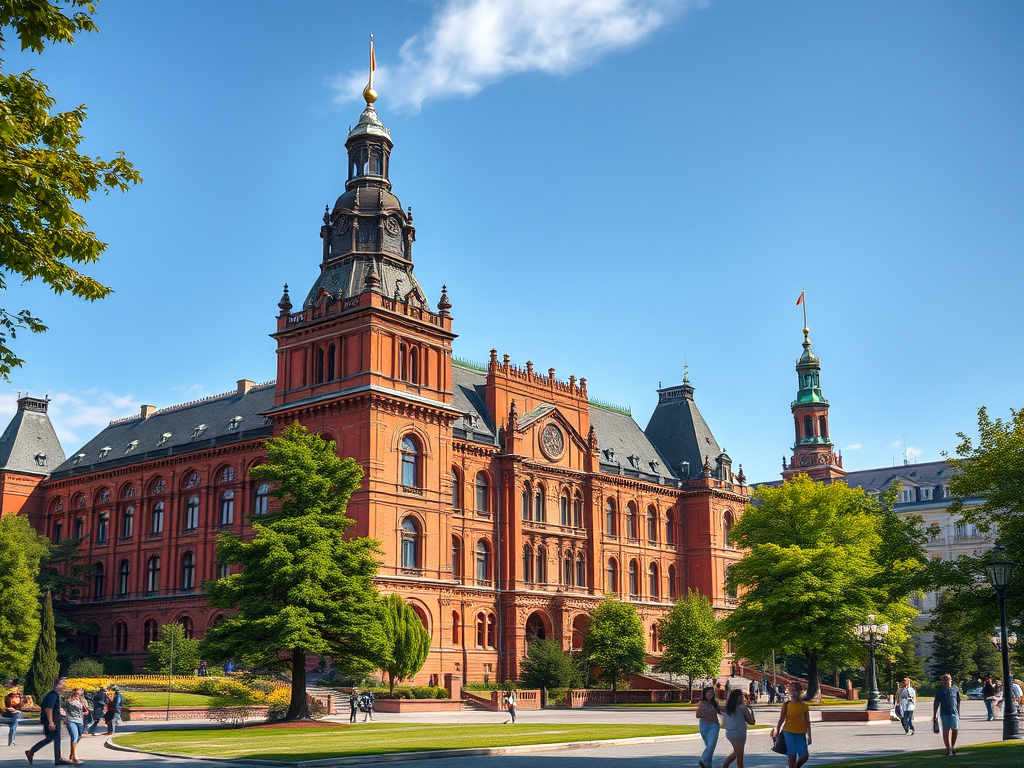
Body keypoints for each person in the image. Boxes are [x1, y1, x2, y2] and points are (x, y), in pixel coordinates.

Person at [26, 676, 68, 765]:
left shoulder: (53, 695)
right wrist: (51, 722)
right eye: (62, 684)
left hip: (52, 720)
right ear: (56, 685)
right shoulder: (53, 695)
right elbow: (49, 709)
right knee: (55, 738)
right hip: (52, 721)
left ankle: (32, 752)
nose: (64, 686)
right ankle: (57, 759)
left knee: (51, 738)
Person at [774, 681, 811, 768]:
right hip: (788, 732)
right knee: (792, 755)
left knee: (805, 755)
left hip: (801, 732)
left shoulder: (804, 706)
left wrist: (809, 736)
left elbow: (807, 722)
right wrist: (778, 731)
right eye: (792, 689)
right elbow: (781, 719)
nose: (794, 691)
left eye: (796, 689)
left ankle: (797, 766)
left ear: (799, 692)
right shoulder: (786, 705)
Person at [721, 689, 756, 768]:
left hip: (735, 733)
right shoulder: (742, 709)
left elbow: (751, 722)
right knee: (740, 754)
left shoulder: (727, 709)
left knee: (736, 752)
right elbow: (751, 722)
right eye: (740, 697)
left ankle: (725, 765)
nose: (742, 698)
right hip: (737, 733)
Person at [932, 673, 961, 757]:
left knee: (955, 729)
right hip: (944, 713)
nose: (947, 681)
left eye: (948, 679)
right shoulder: (940, 690)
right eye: (945, 679)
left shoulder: (955, 689)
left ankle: (952, 746)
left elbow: (958, 701)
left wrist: (959, 712)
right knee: (946, 730)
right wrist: (935, 714)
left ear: (951, 680)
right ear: (942, 681)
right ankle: (949, 749)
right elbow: (936, 702)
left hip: (954, 712)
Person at [696, 685, 721, 768]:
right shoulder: (702, 703)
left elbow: (720, 712)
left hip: (714, 726)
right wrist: (710, 711)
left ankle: (703, 759)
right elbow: (698, 715)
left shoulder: (715, 703)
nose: (710, 694)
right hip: (704, 726)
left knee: (711, 745)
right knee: (710, 747)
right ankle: (708, 765)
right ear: (705, 694)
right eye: (708, 692)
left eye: (711, 692)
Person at [64, 687, 87, 764]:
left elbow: (86, 710)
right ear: (74, 692)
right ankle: (74, 757)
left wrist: (85, 712)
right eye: (78, 690)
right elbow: (64, 708)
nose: (79, 692)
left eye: (80, 691)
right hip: (71, 720)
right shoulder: (69, 700)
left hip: (80, 721)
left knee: (79, 736)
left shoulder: (82, 700)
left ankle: (71, 754)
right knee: (75, 736)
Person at [2, 682, 25, 746]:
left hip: (13, 716)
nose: (17, 698)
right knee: (14, 721)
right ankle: (12, 740)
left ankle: (12, 740)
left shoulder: (18, 712)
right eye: (16, 697)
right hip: (9, 717)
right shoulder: (5, 710)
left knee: (14, 722)